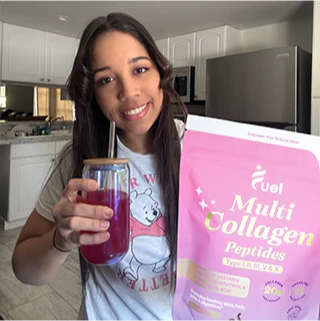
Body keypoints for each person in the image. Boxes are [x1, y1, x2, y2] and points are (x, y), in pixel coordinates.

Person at [12, 12, 187, 321]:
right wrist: (60, 241)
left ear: (160, 74)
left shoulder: (197, 149)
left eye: (140, 69)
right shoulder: (82, 161)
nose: (128, 91)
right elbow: (24, 269)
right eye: (106, 79)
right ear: (93, 95)